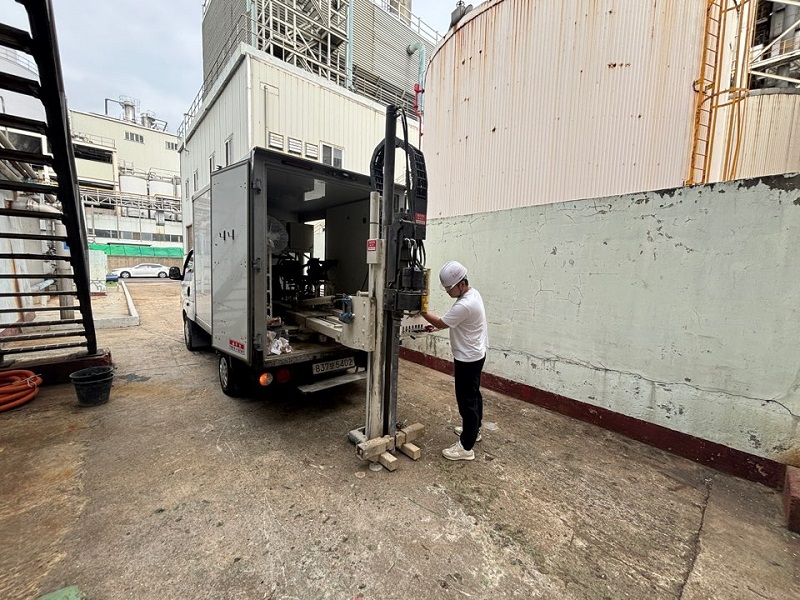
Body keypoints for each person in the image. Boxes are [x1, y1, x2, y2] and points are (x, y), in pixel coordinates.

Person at [420, 261, 488, 461]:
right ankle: (474, 430)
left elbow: (443, 322)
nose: (448, 292)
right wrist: (436, 326)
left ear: (461, 284)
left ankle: (466, 447)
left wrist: (422, 312)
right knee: (474, 395)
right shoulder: (472, 294)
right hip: (476, 353)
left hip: (468, 358)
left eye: (449, 288)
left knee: (466, 401)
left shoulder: (465, 304)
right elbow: (452, 322)